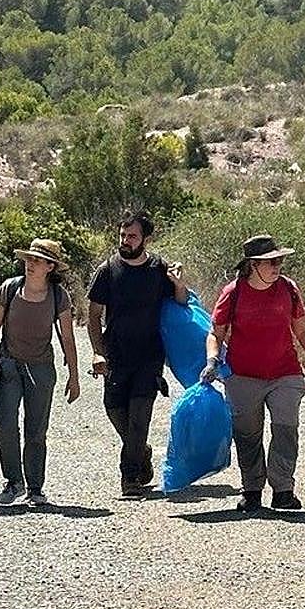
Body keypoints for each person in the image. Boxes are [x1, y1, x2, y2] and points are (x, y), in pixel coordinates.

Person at [201, 235, 305, 512]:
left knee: (286, 429)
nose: (277, 266)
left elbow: (302, 328)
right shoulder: (233, 293)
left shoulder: (289, 289)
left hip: (285, 372)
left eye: (279, 260)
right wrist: (212, 361)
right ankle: (252, 489)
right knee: (247, 435)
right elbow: (216, 333)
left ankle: (283, 490)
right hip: (243, 376)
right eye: (271, 261)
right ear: (252, 265)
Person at [0, 238, 81, 505]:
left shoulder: (58, 296)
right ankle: (13, 482)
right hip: (8, 364)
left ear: (50, 267)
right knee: (4, 423)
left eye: (37, 260)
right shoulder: (10, 288)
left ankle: (35, 488)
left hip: (40, 370)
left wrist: (74, 377)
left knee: (36, 430)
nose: (30, 264)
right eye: (29, 259)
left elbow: (68, 338)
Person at [87, 211, 187, 497]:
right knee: (115, 410)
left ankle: (129, 478)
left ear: (145, 238)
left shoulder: (158, 268)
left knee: (140, 416)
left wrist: (179, 283)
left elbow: (180, 302)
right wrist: (97, 352)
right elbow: (94, 315)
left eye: (132, 236)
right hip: (116, 354)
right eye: (122, 235)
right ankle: (140, 449)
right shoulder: (108, 270)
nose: (126, 241)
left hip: (149, 356)